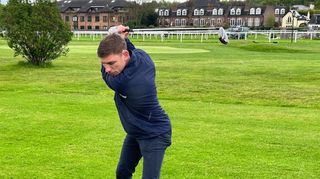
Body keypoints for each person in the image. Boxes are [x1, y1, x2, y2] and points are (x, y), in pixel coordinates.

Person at [97, 25, 172, 179]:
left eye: (111, 63)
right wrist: (121, 37)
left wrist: (113, 34)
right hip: (135, 131)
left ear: (124, 55)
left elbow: (105, 76)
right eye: (104, 64)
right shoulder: (142, 57)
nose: (108, 69)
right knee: (122, 173)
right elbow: (129, 47)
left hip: (154, 133)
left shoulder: (124, 82)